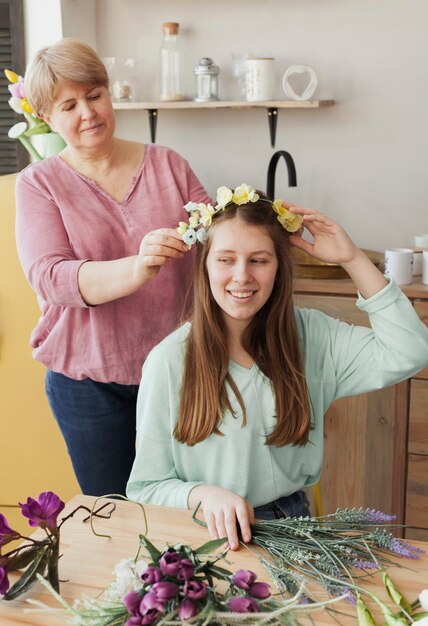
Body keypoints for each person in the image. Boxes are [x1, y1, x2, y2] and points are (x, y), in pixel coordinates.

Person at [127, 184, 428, 550]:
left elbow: (411, 350)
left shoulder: (313, 337)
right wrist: (202, 495)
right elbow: (146, 488)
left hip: (296, 530)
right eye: (225, 259)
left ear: (279, 267)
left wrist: (352, 259)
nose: (241, 276)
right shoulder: (169, 361)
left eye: (258, 260)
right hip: (206, 536)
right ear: (204, 264)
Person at [15, 38, 211, 497]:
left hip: (180, 372)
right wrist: (137, 268)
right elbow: (50, 276)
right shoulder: (39, 184)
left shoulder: (167, 164)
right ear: (47, 117)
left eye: (94, 95)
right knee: (116, 517)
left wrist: (266, 224)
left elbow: (213, 233)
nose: (87, 112)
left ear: (109, 93)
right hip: (88, 385)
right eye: (69, 105)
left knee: (188, 510)